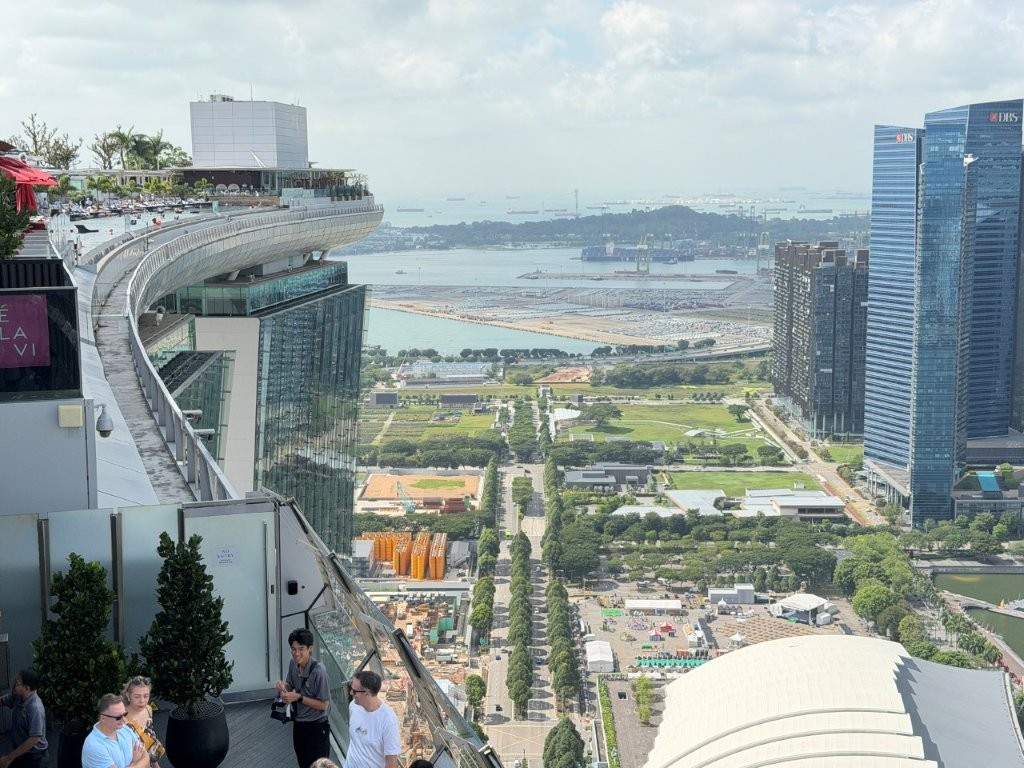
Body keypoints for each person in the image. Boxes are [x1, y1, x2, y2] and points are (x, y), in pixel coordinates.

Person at [276, 628, 330, 768]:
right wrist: (283, 687)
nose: (296, 653)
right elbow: (290, 685)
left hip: (316, 727)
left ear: (310, 649)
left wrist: (298, 697)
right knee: (303, 762)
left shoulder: (319, 671)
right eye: (293, 649)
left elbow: (324, 705)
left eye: (301, 649)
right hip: (299, 725)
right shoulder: (293, 664)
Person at [346, 670, 400, 768]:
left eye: (354, 691)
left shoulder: (388, 720)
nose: (350, 693)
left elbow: (391, 763)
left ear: (367, 693)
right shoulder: (353, 706)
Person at [81, 693, 147, 768]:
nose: (124, 720)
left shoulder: (125, 729)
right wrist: (135, 762)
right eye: (118, 717)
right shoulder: (94, 747)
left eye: (125, 714)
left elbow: (146, 758)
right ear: (103, 719)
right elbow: (143, 761)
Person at [0, 668, 48, 768]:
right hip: (20, 751)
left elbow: (33, 739)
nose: (14, 686)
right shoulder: (18, 697)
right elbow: (4, 700)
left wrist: (9, 758)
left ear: (27, 688)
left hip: (34, 757)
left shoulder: (35, 708)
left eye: (17, 684)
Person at [121, 677, 164, 766]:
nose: (142, 701)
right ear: (128, 695)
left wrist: (156, 766)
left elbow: (150, 741)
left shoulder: (148, 709)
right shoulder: (121, 718)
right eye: (137, 696)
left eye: (146, 696)